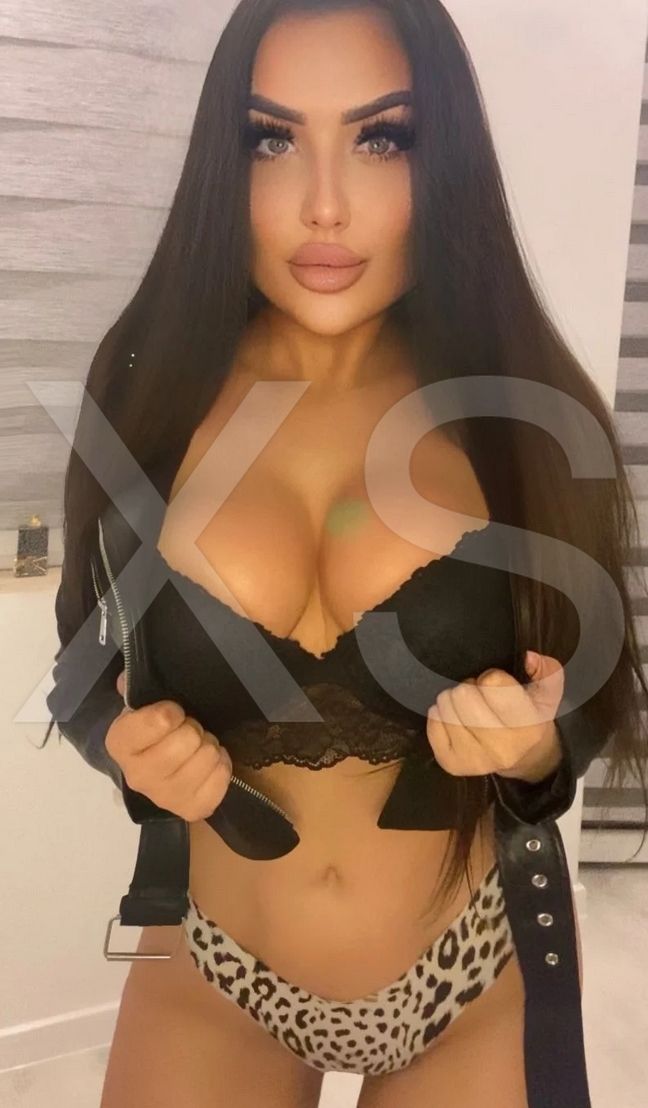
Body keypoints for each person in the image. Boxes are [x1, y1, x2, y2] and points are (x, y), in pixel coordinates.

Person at [42, 2, 648, 1106]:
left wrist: (530, 750)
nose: (325, 203)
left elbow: (595, 693)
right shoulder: (144, 390)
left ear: (443, 156)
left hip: (472, 976)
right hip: (212, 974)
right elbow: (82, 667)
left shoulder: (530, 411)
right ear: (224, 162)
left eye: (381, 138)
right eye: (272, 139)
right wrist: (125, 750)